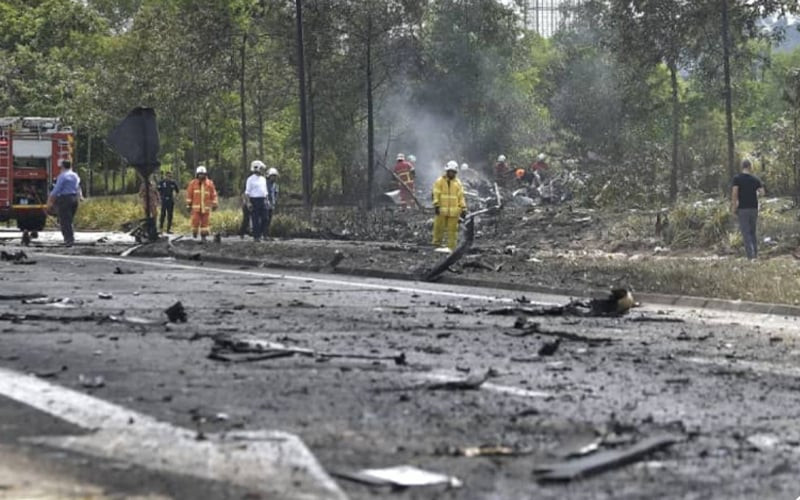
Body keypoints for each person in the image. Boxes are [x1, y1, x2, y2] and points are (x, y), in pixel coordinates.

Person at [731, 159, 765, 260]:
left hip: (743, 208)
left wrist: (734, 207)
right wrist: (755, 193)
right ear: (750, 167)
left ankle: (750, 257)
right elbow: (762, 192)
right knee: (753, 232)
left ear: (742, 166)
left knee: (745, 232)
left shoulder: (737, 178)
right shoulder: (755, 179)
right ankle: (755, 254)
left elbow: (734, 193)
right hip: (754, 208)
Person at [432, 160, 467, 251]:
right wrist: (436, 205)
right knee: (438, 228)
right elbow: (436, 193)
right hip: (441, 210)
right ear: (447, 171)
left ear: (455, 172)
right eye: (450, 171)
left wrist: (463, 208)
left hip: (454, 212)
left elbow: (461, 197)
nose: (451, 173)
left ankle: (451, 247)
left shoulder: (458, 183)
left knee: (452, 231)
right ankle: (436, 244)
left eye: (453, 172)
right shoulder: (439, 181)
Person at [46, 160, 81, 247]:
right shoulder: (75, 175)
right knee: (69, 220)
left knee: (65, 221)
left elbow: (56, 190)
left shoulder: (62, 176)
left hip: (65, 199)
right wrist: (80, 196)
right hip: (74, 199)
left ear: (62, 167)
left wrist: (50, 201)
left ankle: (69, 240)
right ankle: (70, 238)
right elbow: (78, 187)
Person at [185, 165, 218, 241]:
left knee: (205, 223)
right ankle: (195, 232)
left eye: (202, 174)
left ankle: (204, 236)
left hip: (206, 208)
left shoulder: (210, 183)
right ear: (197, 174)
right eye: (200, 174)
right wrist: (188, 204)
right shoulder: (193, 183)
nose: (201, 175)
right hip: (196, 208)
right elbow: (189, 194)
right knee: (195, 221)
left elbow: (213, 194)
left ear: (205, 174)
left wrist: (215, 204)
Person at [245, 160, 268, 241]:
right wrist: (248, 202)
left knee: (265, 218)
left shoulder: (263, 179)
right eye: (261, 168)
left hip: (262, 200)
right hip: (254, 200)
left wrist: (266, 200)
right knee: (255, 219)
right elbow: (247, 192)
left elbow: (265, 191)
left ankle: (262, 233)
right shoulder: (250, 179)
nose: (262, 170)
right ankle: (256, 236)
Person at [265, 167, 280, 236]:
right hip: (265, 204)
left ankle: (267, 234)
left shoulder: (275, 185)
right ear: (269, 176)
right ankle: (263, 234)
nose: (274, 178)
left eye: (275, 176)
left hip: (272, 205)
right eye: (272, 176)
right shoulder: (265, 184)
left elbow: (276, 194)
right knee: (265, 219)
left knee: (269, 220)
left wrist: (275, 202)